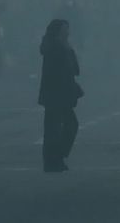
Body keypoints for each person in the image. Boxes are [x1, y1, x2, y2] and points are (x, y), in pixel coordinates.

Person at [38, 19, 82, 173]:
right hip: (57, 95)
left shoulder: (58, 47)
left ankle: (54, 160)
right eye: (65, 30)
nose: (68, 33)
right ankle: (54, 160)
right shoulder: (56, 48)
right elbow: (70, 70)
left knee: (56, 129)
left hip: (57, 94)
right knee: (60, 128)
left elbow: (75, 70)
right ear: (58, 32)